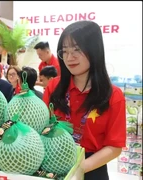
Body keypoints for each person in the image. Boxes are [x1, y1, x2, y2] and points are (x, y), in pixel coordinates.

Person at [43, 21, 126, 180]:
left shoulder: (113, 96)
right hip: (52, 164)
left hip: (92, 168)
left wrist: (78, 168)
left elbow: (114, 147)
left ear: (94, 50)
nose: (69, 57)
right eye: (65, 51)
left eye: (77, 49)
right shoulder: (54, 86)